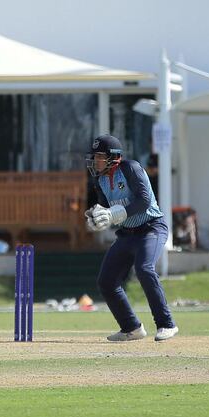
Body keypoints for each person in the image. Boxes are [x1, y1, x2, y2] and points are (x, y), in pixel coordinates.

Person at [85, 134, 178, 342]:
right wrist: (97, 217)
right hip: (127, 233)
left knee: (144, 269)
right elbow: (106, 209)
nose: (95, 161)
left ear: (113, 157)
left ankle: (166, 324)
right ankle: (132, 328)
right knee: (106, 281)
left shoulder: (130, 168)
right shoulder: (100, 180)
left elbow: (144, 201)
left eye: (99, 156)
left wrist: (115, 214)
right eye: (94, 156)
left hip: (151, 228)